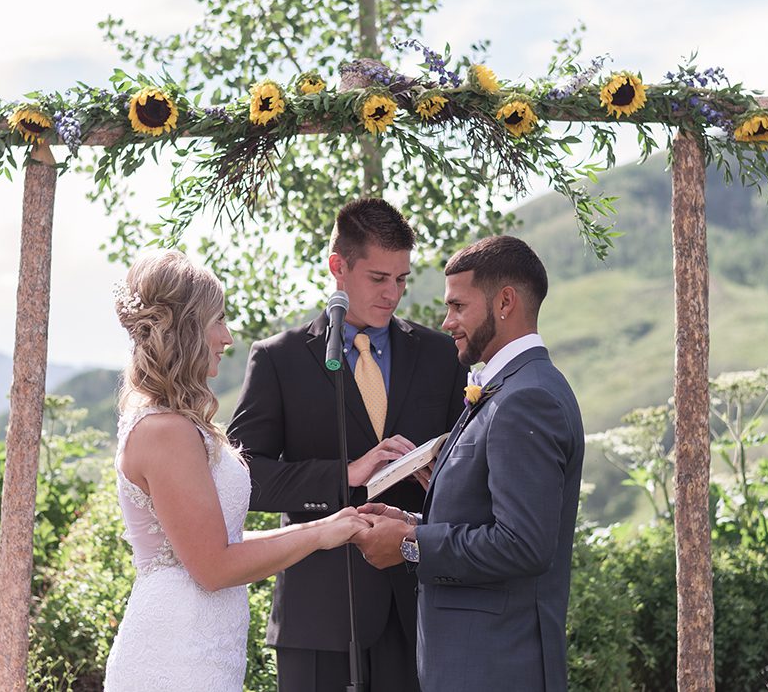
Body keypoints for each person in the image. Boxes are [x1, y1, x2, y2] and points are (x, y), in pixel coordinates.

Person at [228, 198, 468, 692]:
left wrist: (440, 468)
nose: (393, 294)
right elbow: (243, 478)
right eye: (379, 278)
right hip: (318, 619)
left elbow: (468, 459)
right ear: (338, 267)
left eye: (401, 279)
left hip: (418, 610)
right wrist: (347, 473)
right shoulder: (279, 359)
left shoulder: (441, 355)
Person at [104, 251, 368, 692]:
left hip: (205, 647)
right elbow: (213, 567)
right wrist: (317, 536)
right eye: (217, 320)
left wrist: (327, 525)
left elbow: (218, 541)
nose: (226, 337)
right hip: (176, 653)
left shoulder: (178, 424)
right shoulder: (165, 431)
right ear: (185, 328)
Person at [354, 235, 584, 692]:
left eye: (458, 306)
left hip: (497, 667)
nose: (448, 322)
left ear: (504, 302)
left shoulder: (528, 397)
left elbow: (524, 544)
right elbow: (489, 520)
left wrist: (411, 544)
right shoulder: (507, 389)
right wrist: (410, 521)